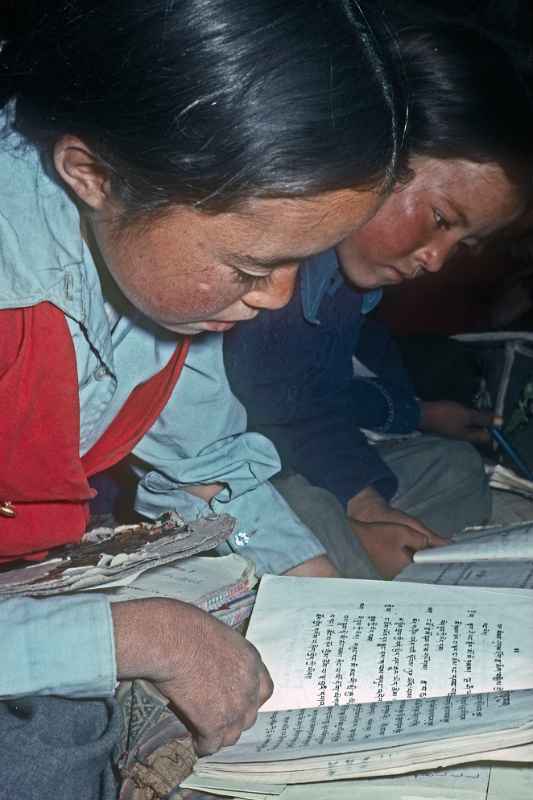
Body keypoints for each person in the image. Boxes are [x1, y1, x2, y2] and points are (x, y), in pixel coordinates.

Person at [0, 1, 408, 798]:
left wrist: (323, 601)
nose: (276, 299)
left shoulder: (157, 288)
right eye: (252, 266)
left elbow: (208, 467)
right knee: (46, 745)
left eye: (301, 263)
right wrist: (126, 637)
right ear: (93, 174)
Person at [223, 22, 533, 580]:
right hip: (240, 467)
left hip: (303, 446)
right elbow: (271, 416)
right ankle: (354, 587)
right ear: (376, 148)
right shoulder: (272, 255)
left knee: (456, 470)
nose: (437, 260)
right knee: (305, 507)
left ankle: (361, 551)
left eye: (462, 243)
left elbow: (327, 395)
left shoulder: (350, 284)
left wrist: (374, 494)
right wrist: (359, 507)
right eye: (441, 220)